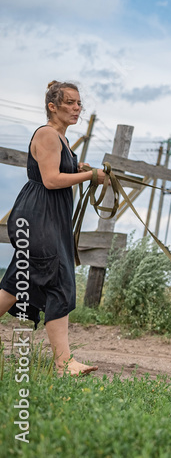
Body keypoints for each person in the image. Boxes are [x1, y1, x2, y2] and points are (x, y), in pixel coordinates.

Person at [0, 81, 105, 376]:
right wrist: (88, 175)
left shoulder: (61, 139)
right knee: (59, 281)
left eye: (78, 103)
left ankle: (64, 361)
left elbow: (59, 171)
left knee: (16, 283)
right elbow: (50, 179)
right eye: (70, 103)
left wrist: (79, 167)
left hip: (45, 218)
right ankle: (64, 362)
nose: (76, 108)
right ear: (52, 107)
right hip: (40, 217)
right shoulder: (47, 134)